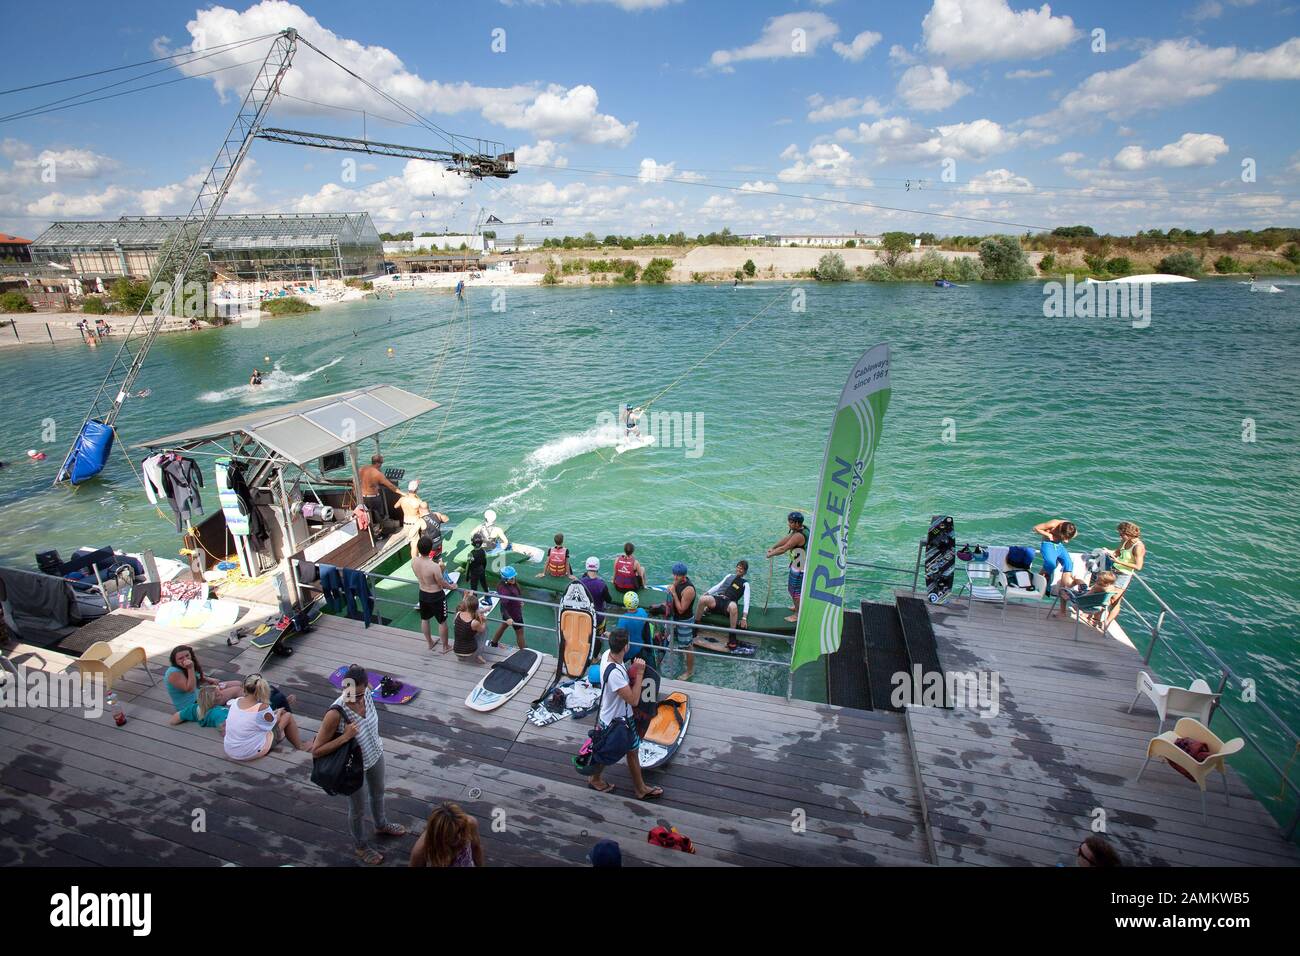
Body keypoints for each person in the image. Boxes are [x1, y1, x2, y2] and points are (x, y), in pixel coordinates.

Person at [310, 664, 407, 865]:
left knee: (378, 793)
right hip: (353, 767)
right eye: (349, 694)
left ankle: (381, 824)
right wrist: (345, 737)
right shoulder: (335, 713)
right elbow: (317, 750)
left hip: (376, 754)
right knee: (357, 809)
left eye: (360, 694)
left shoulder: (369, 696)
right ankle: (361, 846)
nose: (355, 698)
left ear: (367, 686)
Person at [584, 629, 663, 800]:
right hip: (617, 720)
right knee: (607, 751)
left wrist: (610, 635)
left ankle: (637, 787)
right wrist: (640, 672)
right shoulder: (615, 675)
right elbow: (634, 700)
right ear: (626, 647)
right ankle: (597, 779)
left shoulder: (606, 655)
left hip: (612, 715)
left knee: (627, 750)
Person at [222, 674, 311, 761]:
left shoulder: (235, 702)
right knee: (287, 716)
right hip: (249, 752)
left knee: (274, 719)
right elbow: (274, 723)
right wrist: (279, 711)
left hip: (230, 749)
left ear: (245, 688)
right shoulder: (262, 707)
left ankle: (284, 736)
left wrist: (275, 713)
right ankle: (301, 746)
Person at [165, 645, 241, 728]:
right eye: (181, 658)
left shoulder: (184, 667)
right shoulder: (173, 673)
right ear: (175, 661)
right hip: (194, 705)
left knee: (237, 683)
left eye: (187, 655)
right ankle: (249, 709)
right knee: (237, 690)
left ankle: (243, 703)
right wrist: (190, 668)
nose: (185, 659)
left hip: (200, 694)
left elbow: (196, 676)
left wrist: (208, 679)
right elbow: (190, 689)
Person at [1100, 521, 1145, 627]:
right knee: (1114, 600)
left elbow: (1139, 566)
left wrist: (1119, 561)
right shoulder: (1125, 541)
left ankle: (1105, 621)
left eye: (1121, 534)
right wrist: (1109, 552)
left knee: (1112, 599)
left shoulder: (1138, 547)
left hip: (1124, 575)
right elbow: (1117, 552)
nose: (1120, 536)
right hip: (1114, 570)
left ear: (1128, 533)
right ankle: (1101, 619)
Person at [410, 801, 482, 867]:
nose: (460, 837)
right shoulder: (422, 850)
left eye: (462, 830)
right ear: (440, 836)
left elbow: (476, 847)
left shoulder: (470, 824)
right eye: (453, 834)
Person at [767, 512, 808, 623]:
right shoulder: (800, 530)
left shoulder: (799, 536)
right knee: (794, 590)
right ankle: (797, 607)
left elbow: (784, 548)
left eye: (790, 522)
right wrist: (773, 547)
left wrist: (771, 554)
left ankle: (797, 615)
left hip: (800, 567)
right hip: (797, 563)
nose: (788, 524)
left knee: (794, 591)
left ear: (796, 523)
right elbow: (787, 539)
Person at [696, 560, 751, 644]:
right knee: (702, 599)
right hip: (719, 599)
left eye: (742, 569)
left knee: (734, 607)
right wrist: (707, 593)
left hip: (729, 604)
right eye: (738, 567)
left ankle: (732, 635)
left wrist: (744, 618)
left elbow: (746, 600)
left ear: (745, 572)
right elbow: (718, 586)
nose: (739, 569)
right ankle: (696, 625)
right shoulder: (729, 576)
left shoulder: (745, 584)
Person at [413, 535, 451, 653]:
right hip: (436, 596)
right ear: (430, 550)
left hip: (423, 593)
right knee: (442, 621)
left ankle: (429, 643)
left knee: (425, 619)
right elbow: (441, 583)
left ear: (418, 549)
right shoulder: (434, 567)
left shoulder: (414, 561)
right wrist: (451, 586)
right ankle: (445, 646)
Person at [397, 479, 448, 560]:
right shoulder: (418, 501)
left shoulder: (402, 499)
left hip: (406, 523)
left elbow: (395, 506)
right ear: (416, 490)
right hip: (415, 523)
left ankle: (415, 561)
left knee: (413, 544)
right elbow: (424, 509)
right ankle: (418, 561)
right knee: (416, 545)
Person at [662, 562, 697, 680]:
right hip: (675, 619)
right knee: (679, 642)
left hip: (684, 621)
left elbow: (682, 609)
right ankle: (682, 657)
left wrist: (674, 594)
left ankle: (690, 671)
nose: (675, 577)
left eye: (678, 575)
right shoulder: (677, 582)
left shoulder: (689, 590)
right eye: (674, 574)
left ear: (684, 576)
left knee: (688, 646)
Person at [1049, 569, 1119, 625]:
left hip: (1081, 601)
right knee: (1078, 581)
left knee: (1062, 591)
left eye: (1098, 578)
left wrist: (1074, 601)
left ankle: (1062, 612)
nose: (1097, 578)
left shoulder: (1096, 587)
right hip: (1096, 605)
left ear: (1101, 580)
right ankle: (1075, 579)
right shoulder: (1112, 589)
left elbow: (1085, 596)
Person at [1034, 518, 1080, 594]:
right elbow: (1036, 528)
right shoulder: (1053, 524)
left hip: (1059, 545)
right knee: (1051, 565)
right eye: (1065, 538)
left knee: (1068, 564)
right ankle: (1037, 581)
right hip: (1048, 544)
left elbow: (1075, 534)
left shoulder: (1069, 527)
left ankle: (1064, 588)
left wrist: (1065, 538)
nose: (1067, 541)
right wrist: (1048, 534)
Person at [359, 454, 398, 531]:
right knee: (381, 515)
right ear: (378, 463)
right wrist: (401, 492)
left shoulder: (362, 469)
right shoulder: (378, 474)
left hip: (363, 496)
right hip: (374, 497)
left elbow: (355, 480)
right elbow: (390, 486)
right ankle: (384, 529)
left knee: (367, 514)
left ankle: (371, 529)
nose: (381, 465)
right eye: (381, 463)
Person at [490, 565, 526, 650]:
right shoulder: (505, 591)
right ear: (505, 579)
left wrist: (519, 602)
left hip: (512, 611)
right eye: (511, 578)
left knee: (503, 626)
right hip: (514, 614)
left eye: (514, 577)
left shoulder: (508, 585)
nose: (513, 579)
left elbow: (514, 596)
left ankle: (494, 643)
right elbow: (503, 606)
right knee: (520, 632)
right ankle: (523, 651)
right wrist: (508, 618)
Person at [578, 557, 614, 634]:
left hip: (584, 617)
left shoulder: (580, 582)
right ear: (597, 567)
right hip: (598, 618)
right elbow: (609, 600)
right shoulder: (602, 584)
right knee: (599, 638)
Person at [453, 590, 488, 663]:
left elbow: (461, 606)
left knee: (466, 631)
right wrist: (484, 621)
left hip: (456, 650)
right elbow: (482, 630)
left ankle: (461, 657)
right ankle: (478, 655)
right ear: (476, 607)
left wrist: (466, 596)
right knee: (484, 630)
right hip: (468, 651)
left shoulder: (458, 614)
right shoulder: (474, 622)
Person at [619, 590, 652, 665]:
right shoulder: (642, 611)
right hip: (639, 647)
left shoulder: (623, 619)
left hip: (627, 650)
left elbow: (619, 636)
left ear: (625, 603)